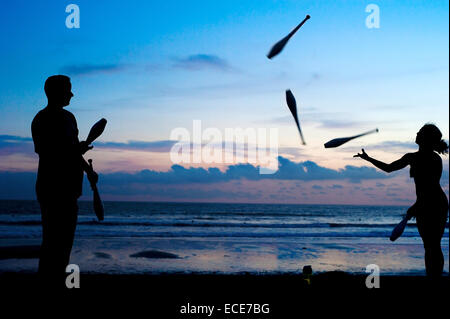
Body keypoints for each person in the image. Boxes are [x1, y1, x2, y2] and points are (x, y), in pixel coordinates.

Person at [354, 124, 449, 279]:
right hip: (426, 202)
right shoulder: (411, 157)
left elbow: (431, 187)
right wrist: (368, 158)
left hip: (435, 203)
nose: (417, 133)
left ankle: (434, 278)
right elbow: (389, 168)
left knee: (433, 245)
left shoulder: (434, 159)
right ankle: (433, 277)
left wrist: (417, 205)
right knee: (429, 245)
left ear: (426, 138)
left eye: (420, 132)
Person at [31, 75, 97, 287]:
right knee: (52, 244)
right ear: (55, 92)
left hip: (70, 190)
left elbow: (72, 152)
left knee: (64, 244)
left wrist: (87, 170)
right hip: (52, 189)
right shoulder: (41, 120)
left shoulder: (70, 118)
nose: (71, 93)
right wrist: (76, 151)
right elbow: (48, 153)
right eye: (68, 89)